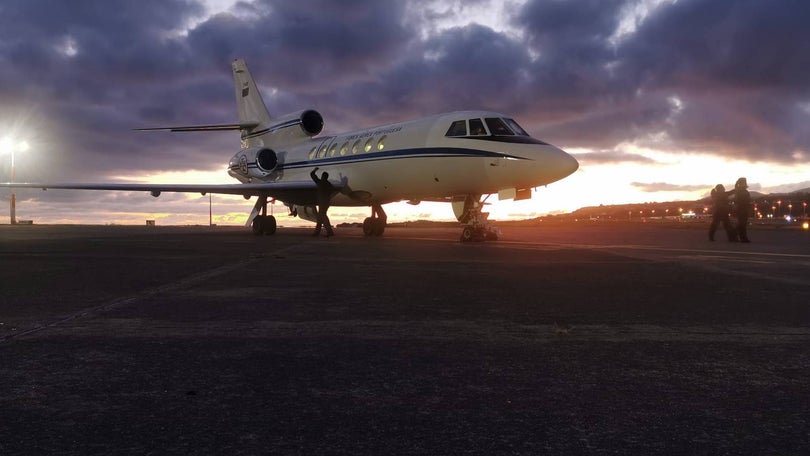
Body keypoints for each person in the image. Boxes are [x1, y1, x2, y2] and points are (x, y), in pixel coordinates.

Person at [310, 167, 336, 237]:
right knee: (320, 216)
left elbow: (312, 174)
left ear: (322, 176)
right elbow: (333, 191)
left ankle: (329, 232)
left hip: (321, 202)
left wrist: (315, 170)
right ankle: (317, 233)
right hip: (326, 202)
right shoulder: (328, 184)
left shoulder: (320, 182)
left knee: (322, 216)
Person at [732, 177, 751, 243]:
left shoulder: (741, 191)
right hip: (741, 208)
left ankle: (742, 237)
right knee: (742, 224)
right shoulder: (740, 191)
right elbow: (738, 200)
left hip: (743, 208)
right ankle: (736, 235)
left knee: (743, 224)